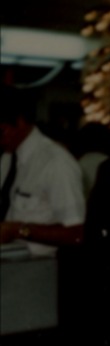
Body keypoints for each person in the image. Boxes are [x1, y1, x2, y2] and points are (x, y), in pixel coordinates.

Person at [0, 86, 85, 256]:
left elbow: (77, 234)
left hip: (41, 269)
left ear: (20, 121)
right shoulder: (7, 158)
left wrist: (17, 230)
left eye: (1, 131)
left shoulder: (56, 162)